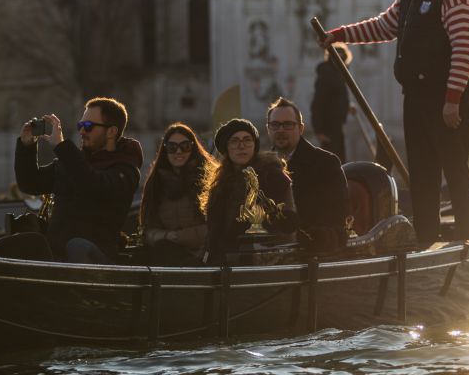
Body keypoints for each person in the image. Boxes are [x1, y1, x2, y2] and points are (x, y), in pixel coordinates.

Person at [319, 0, 469, 246]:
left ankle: (467, 241)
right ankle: (425, 240)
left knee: (454, 169)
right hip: (416, 97)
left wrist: (452, 100)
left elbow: (465, 49)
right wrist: (340, 35)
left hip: (445, 98)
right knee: (422, 173)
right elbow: (383, 26)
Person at [14, 97, 143, 264]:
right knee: (20, 242)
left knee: (78, 247)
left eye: (88, 126)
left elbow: (94, 185)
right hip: (56, 254)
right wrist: (27, 146)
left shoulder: (125, 170)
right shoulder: (74, 161)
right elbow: (30, 183)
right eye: (80, 126)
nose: (82, 131)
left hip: (95, 257)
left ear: (111, 132)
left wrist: (62, 147)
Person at [200, 118, 297, 266]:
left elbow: (287, 226)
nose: (241, 146)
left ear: (254, 145)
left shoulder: (273, 177)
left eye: (247, 140)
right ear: (226, 148)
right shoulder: (220, 186)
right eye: (234, 141)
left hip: (264, 262)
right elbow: (213, 232)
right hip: (224, 263)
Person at [267, 97, 349, 252]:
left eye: (288, 125)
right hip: (268, 253)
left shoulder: (326, 163)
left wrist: (306, 237)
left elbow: (337, 216)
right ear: (268, 128)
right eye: (275, 125)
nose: (281, 130)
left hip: (312, 255)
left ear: (301, 128)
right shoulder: (262, 167)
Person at [139, 122, 215, 266]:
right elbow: (148, 229)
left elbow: (215, 226)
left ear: (193, 148)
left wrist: (179, 237)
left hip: (203, 256)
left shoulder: (208, 179)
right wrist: (167, 236)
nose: (178, 152)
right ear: (165, 151)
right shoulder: (155, 184)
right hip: (168, 253)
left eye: (185, 146)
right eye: (172, 147)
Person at [311, 42, 352, 162]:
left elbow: (338, 97)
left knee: (338, 160)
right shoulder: (327, 74)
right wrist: (318, 129)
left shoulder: (338, 73)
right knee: (333, 161)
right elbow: (319, 101)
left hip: (336, 124)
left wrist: (347, 106)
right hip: (328, 125)